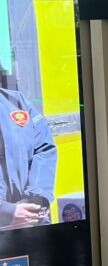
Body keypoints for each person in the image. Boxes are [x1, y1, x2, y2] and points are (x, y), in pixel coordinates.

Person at [0, 87, 58, 228]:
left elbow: (44, 150)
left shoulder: (17, 102)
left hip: (30, 222)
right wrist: (6, 213)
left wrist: (36, 200)